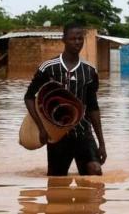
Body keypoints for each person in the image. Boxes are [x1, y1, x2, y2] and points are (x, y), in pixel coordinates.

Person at [24, 22, 106, 176]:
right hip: (57, 135)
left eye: (80, 39)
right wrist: (41, 128)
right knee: (56, 182)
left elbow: (93, 107)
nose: (77, 42)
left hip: (83, 133)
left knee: (95, 171)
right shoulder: (48, 67)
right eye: (72, 39)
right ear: (63, 40)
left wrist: (101, 143)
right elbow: (29, 97)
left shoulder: (90, 71)